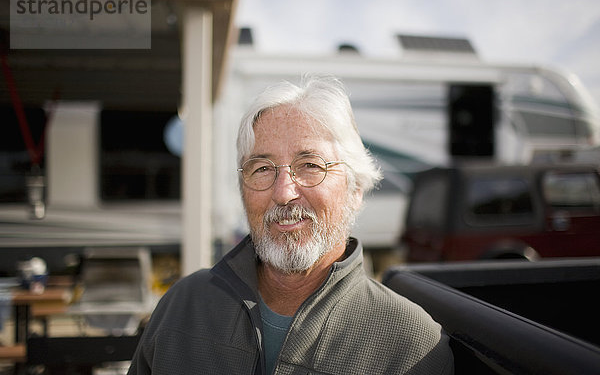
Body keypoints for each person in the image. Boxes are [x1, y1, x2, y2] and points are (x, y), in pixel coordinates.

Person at [128, 74, 454, 375]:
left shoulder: (411, 345)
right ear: (243, 191)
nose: (283, 193)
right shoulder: (183, 306)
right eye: (262, 169)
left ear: (355, 190)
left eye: (310, 165)